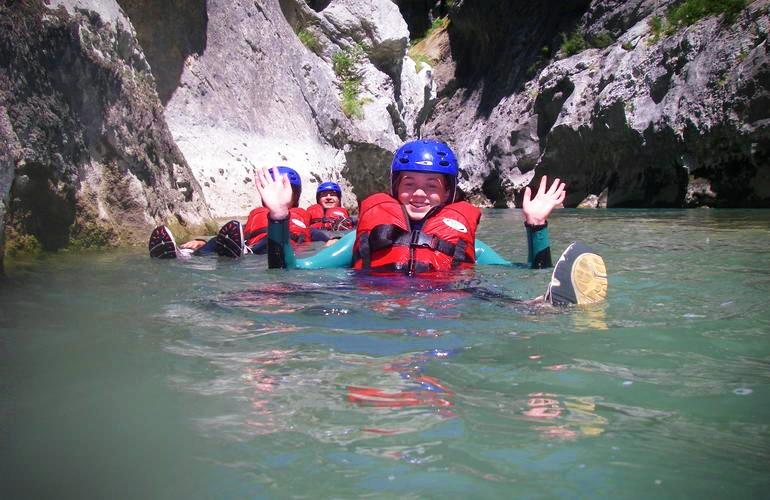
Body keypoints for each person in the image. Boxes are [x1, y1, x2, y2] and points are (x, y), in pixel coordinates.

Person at [254, 139, 607, 306]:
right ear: (395, 187)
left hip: (443, 307)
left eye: (431, 186)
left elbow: (532, 270)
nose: (419, 194)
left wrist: (535, 225)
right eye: (409, 185)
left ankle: (541, 308)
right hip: (376, 307)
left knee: (490, 298)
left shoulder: (466, 244)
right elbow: (289, 270)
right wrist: (279, 218)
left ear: (449, 192)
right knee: (282, 296)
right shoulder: (363, 238)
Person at [148, 166, 326, 258]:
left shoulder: (303, 221)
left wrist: (333, 239)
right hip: (251, 246)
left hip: (281, 248)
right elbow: (233, 234)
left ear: (297, 196)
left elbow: (316, 233)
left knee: (273, 240)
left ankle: (245, 251)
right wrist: (201, 241)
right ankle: (186, 254)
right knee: (222, 240)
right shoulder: (254, 219)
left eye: (287, 191)